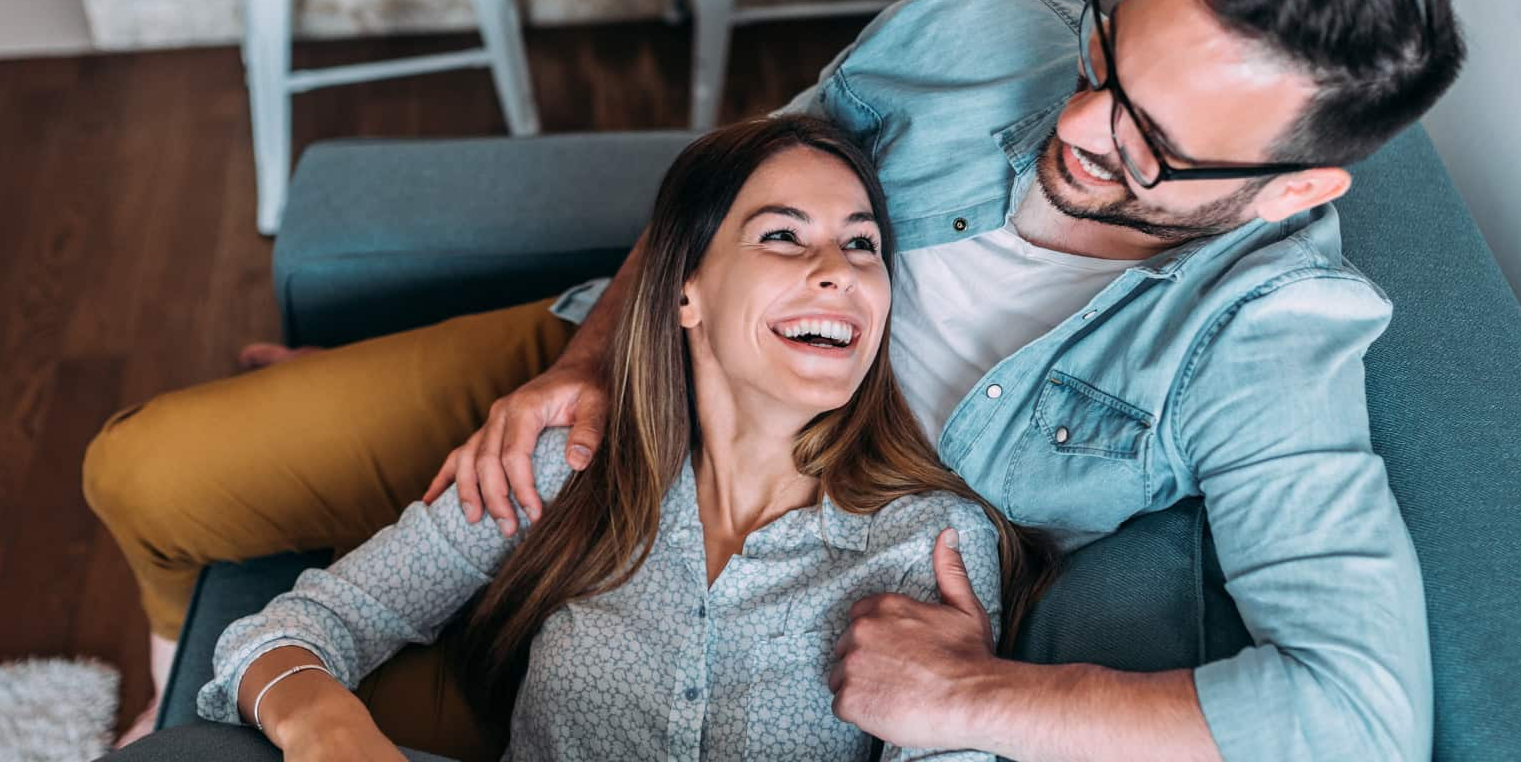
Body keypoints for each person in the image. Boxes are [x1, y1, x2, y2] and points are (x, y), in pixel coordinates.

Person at [88, 0, 1464, 760]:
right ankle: (171, 660)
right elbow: (748, 186)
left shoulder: (1274, 337)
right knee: (148, 473)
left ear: (1289, 191)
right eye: (1110, 49)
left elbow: (1360, 709)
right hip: (624, 371)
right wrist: (578, 369)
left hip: (796, 545)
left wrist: (967, 697)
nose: (1079, 122)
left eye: (1148, 145)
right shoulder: (990, 30)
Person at [161, 117, 1053, 760]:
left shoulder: (927, 543)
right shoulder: (569, 470)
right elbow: (289, 634)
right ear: (683, 293)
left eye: (862, 248)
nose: (836, 272)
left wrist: (965, 716)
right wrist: (331, 731)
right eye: (784, 236)